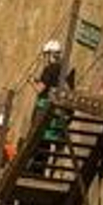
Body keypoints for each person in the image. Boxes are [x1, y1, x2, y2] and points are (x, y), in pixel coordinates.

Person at [31, 40, 70, 175]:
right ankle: (47, 171)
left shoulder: (49, 69)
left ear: (50, 54)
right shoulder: (62, 69)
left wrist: (31, 81)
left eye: (46, 55)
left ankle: (37, 171)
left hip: (45, 110)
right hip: (56, 112)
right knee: (49, 143)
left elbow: (40, 89)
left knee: (39, 143)